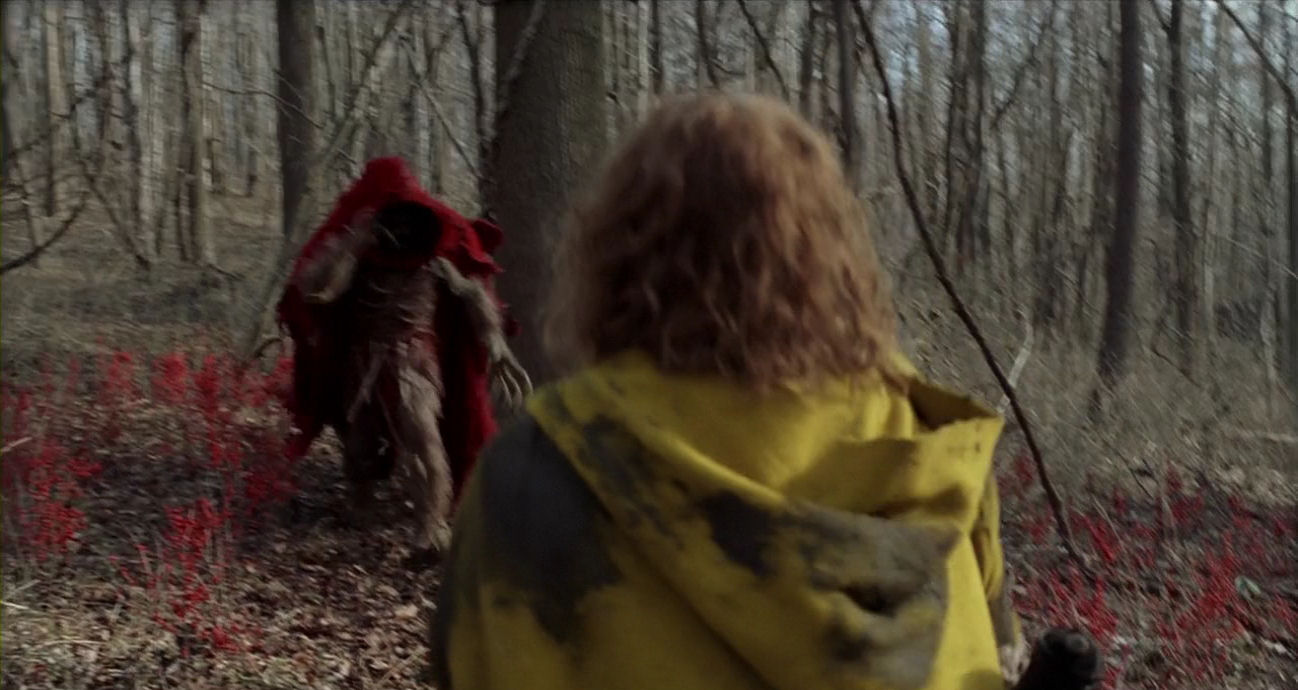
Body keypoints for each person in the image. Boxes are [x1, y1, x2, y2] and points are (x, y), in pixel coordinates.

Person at [431, 93, 1025, 690]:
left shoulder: (534, 473)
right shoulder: (932, 454)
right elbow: (997, 658)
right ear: (834, 261)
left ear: (619, 255)